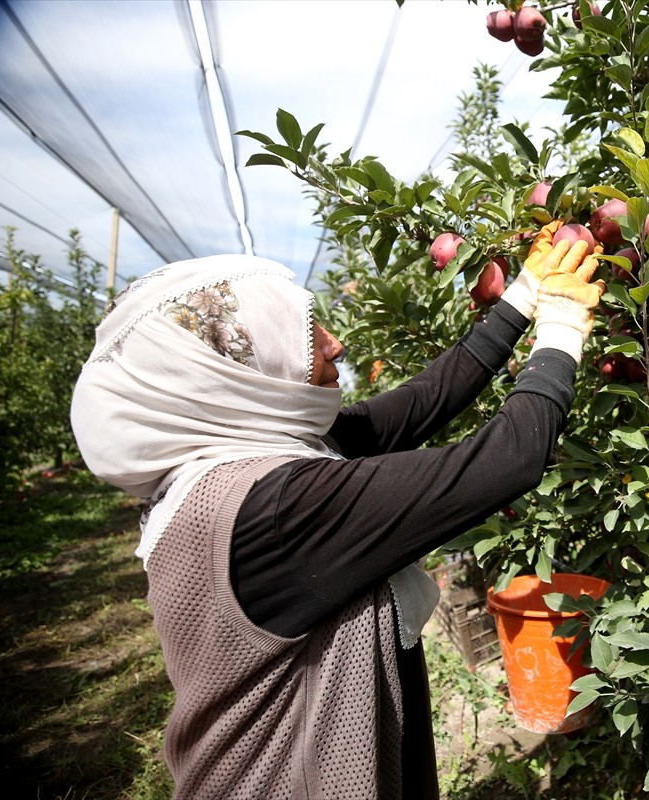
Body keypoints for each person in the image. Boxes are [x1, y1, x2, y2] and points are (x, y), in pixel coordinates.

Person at [69, 223, 605, 799]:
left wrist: (523, 295)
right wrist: (562, 326)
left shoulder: (244, 453)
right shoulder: (274, 508)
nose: (333, 343)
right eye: (303, 333)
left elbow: (418, 405)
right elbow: (508, 460)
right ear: (236, 368)